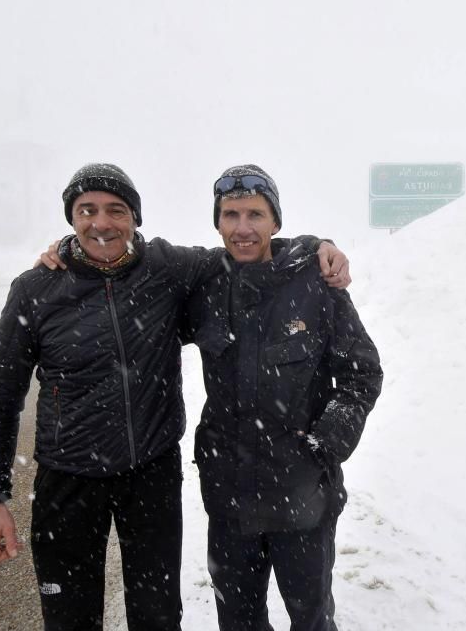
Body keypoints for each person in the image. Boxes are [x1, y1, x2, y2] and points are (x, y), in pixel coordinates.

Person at [0, 162, 348, 631]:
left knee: (158, 619)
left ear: (136, 219)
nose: (101, 222)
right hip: (67, 482)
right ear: (71, 218)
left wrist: (319, 247)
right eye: (86, 210)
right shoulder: (37, 289)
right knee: (68, 621)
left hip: (150, 475)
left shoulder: (168, 270)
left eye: (116, 210)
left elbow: (257, 251)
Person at [187, 164, 383, 631]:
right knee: (238, 622)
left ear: (275, 220)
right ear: (217, 222)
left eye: (255, 214)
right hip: (228, 497)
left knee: (311, 619)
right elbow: (135, 273)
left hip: (303, 497)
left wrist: (324, 446)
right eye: (230, 215)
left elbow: (361, 372)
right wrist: (66, 253)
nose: (242, 228)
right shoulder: (202, 286)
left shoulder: (315, 284)